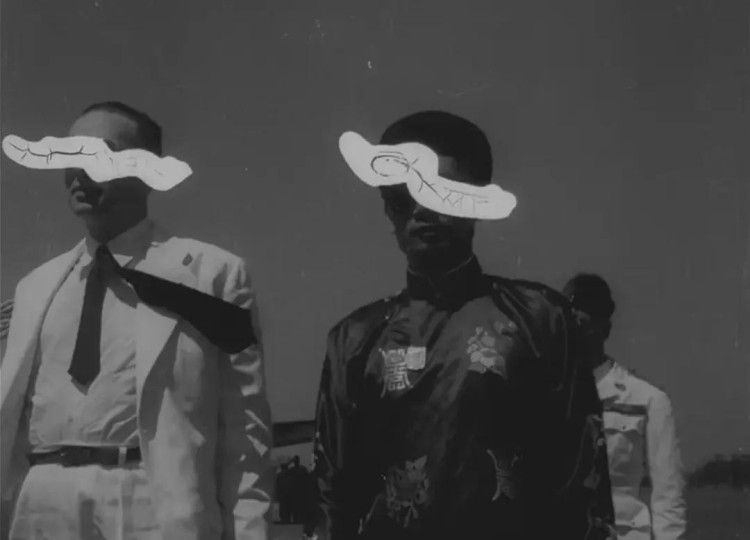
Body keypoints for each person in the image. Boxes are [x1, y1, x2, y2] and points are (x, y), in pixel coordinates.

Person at [305, 110, 616, 540]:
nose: (421, 211)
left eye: (439, 192)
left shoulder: (540, 317)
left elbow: (581, 483)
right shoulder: (354, 340)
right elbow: (333, 495)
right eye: (402, 198)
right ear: (389, 210)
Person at [0, 102, 273, 540]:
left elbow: (246, 435)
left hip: (152, 505)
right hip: (42, 505)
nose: (79, 169)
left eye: (99, 153)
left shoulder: (213, 276)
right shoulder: (35, 288)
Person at [562, 274, 686, 540]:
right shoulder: (549, 397)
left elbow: (668, 495)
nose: (577, 324)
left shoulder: (647, 400)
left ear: (605, 327)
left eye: (586, 315)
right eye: (569, 317)